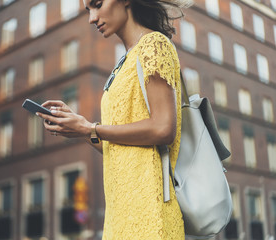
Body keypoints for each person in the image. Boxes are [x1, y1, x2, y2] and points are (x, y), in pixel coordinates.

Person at [37, 0, 192, 238]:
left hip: (150, 215)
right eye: (88, 10)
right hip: (119, 216)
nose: (92, 18)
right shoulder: (124, 63)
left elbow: (163, 128)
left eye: (97, 4)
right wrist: (81, 128)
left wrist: (91, 127)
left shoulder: (154, 45)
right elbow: (120, 151)